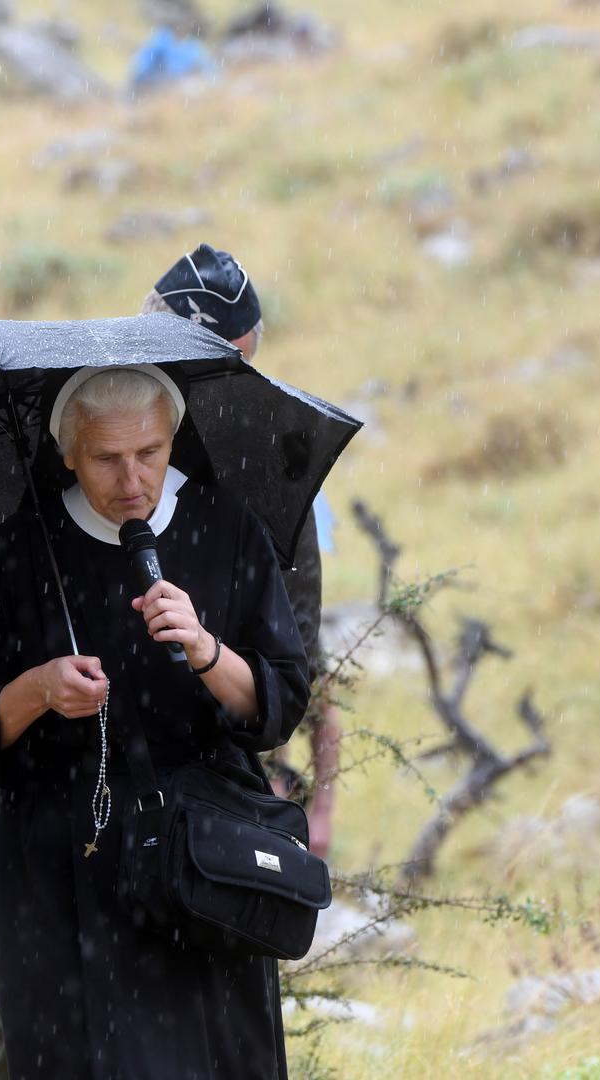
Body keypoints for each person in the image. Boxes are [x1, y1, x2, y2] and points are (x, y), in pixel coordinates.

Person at [0, 364, 310, 1078]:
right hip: (57, 861)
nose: (131, 477)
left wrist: (206, 651)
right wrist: (38, 690)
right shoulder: (19, 545)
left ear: (173, 438)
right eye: (107, 458)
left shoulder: (224, 526)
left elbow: (278, 700)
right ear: (69, 453)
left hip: (200, 855)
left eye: (150, 453)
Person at [143, 244, 340, 854]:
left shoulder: (274, 481)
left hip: (219, 787)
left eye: (226, 369)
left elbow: (301, 674)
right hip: (84, 781)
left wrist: (315, 807)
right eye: (181, 365)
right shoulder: (84, 430)